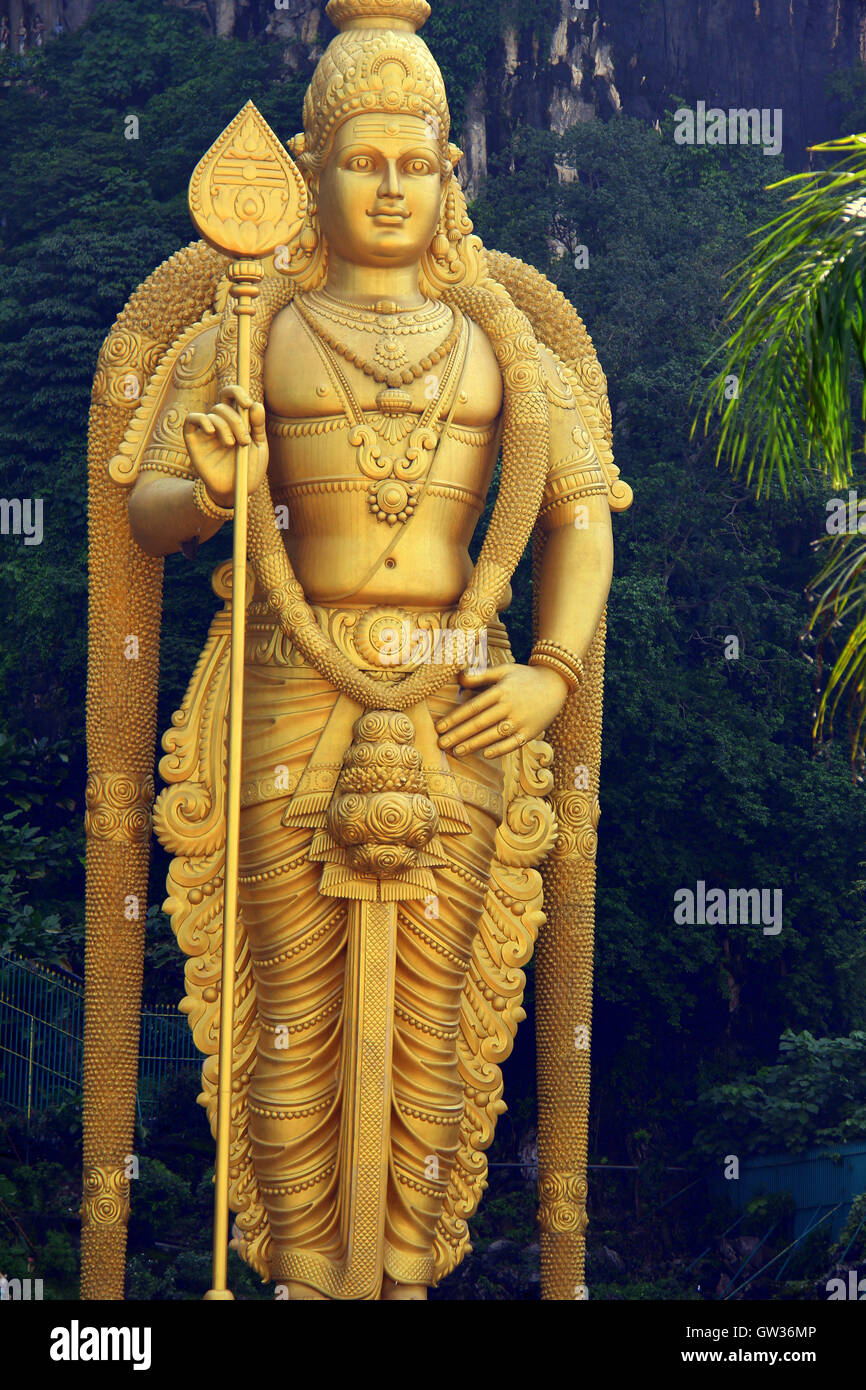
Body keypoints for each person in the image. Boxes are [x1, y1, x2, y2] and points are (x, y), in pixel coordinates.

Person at [84, 0, 631, 1302]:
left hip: (457, 693)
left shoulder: (501, 341)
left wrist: (548, 669)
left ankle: (402, 1275)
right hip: (284, 680)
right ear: (310, 170)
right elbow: (145, 509)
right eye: (358, 160)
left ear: (446, 171)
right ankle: (304, 1278)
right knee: (290, 1013)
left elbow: (580, 514)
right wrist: (211, 489)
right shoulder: (243, 325)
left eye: (410, 161)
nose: (385, 187)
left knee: (436, 1022)